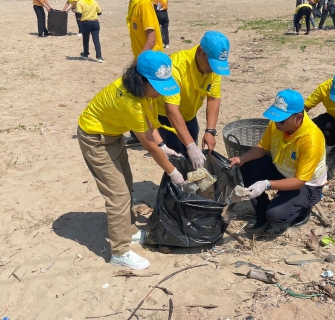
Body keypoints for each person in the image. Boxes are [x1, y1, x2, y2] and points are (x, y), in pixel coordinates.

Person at [77, 51, 183, 270]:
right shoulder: (128, 100)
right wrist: (173, 172)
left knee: (126, 182)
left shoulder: (142, 94)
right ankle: (120, 251)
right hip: (94, 138)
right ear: (141, 80)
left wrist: (164, 146)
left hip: (113, 135)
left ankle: (131, 231)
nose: (159, 93)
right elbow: (148, 146)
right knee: (118, 195)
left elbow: (149, 124)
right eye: (156, 86)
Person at [229, 89, 327, 234]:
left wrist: (267, 184)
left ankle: (303, 210)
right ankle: (261, 211)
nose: (276, 123)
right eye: (275, 118)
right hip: (282, 168)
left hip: (306, 184)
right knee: (246, 166)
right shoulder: (276, 124)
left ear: (298, 118)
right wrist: (241, 158)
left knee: (276, 216)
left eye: (281, 120)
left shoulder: (311, 140)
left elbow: (299, 180)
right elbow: (263, 147)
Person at [152, 31, 231, 170]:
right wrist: (190, 145)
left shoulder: (213, 70)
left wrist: (210, 131)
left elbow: (213, 97)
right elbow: (171, 110)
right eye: (211, 64)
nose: (213, 69)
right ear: (200, 51)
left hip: (189, 114)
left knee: (191, 157)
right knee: (176, 159)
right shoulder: (176, 67)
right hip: (166, 118)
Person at [125, 0, 164, 145]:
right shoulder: (133, 4)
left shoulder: (143, 5)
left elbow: (152, 40)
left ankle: (158, 141)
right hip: (142, 58)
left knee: (150, 101)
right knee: (141, 99)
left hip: (150, 61)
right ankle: (139, 135)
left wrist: (138, 63)